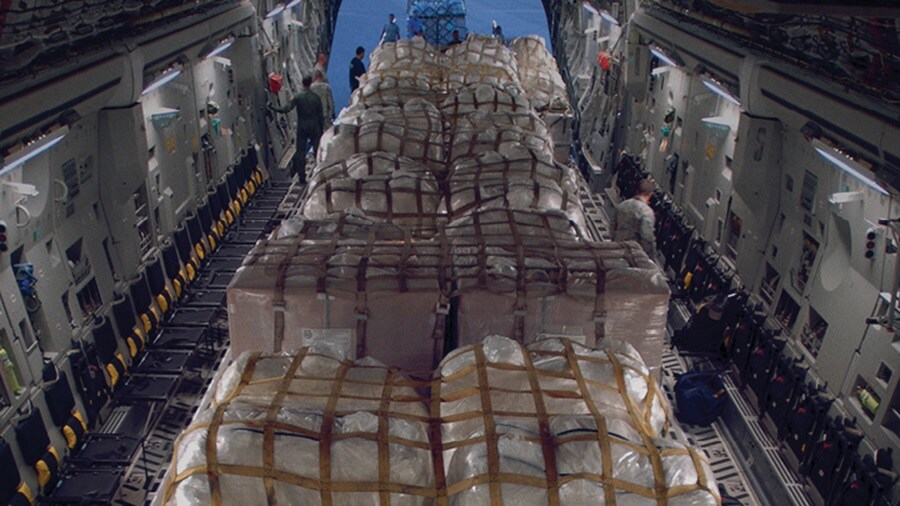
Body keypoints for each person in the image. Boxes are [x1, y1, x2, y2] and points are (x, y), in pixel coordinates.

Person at [268, 75, 323, 184]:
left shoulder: (298, 97)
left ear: (303, 84)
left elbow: (286, 109)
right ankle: (320, 174)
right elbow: (320, 115)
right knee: (318, 151)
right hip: (315, 126)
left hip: (302, 127)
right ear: (310, 83)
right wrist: (321, 130)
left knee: (300, 152)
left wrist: (272, 106)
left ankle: (302, 177)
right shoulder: (316, 98)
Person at [611, 178, 658, 258]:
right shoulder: (647, 212)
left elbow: (612, 226)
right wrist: (650, 257)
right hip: (633, 255)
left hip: (617, 249)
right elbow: (647, 237)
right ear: (650, 194)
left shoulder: (623, 204)